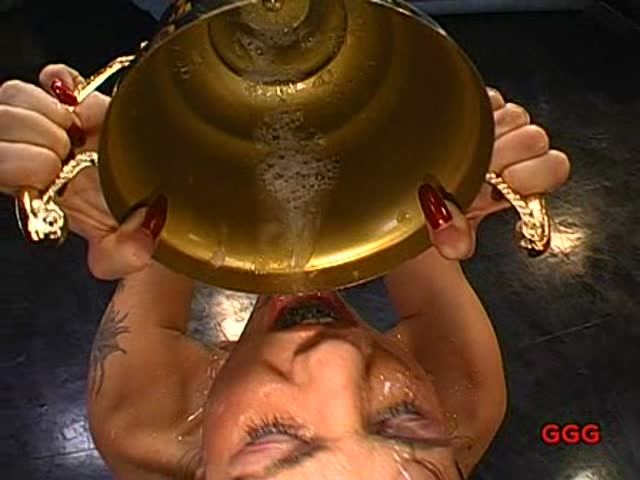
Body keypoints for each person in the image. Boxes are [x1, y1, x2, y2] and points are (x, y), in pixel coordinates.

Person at [0, 64, 570, 479]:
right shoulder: (464, 403)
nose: (333, 354)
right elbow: (413, 221)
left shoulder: (142, 425)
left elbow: (157, 233)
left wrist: (126, 167)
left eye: (270, 437)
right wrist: (431, 161)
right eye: (402, 421)